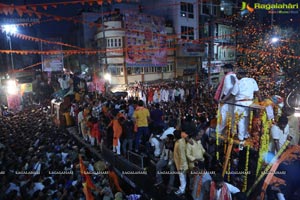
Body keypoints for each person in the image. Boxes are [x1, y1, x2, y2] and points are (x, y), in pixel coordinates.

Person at [223, 71, 261, 141]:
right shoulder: (252, 81)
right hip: (249, 104)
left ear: (240, 75)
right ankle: (245, 134)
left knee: (240, 120)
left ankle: (241, 137)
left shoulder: (238, 83)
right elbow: (257, 92)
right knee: (246, 119)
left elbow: (232, 94)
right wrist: (261, 101)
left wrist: (224, 100)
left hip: (240, 104)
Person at [214, 64, 238, 135]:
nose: (223, 71)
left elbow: (228, 88)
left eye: (224, 69)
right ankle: (233, 133)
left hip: (225, 102)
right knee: (232, 117)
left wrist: (222, 98)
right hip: (232, 102)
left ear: (228, 69)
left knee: (222, 117)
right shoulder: (235, 76)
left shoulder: (228, 76)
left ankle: (218, 133)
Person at [173, 130, 188, 196]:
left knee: (182, 177)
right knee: (183, 177)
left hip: (181, 164)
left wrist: (181, 166)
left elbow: (182, 156)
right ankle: (184, 188)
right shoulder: (181, 141)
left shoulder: (180, 144)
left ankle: (182, 190)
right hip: (180, 163)